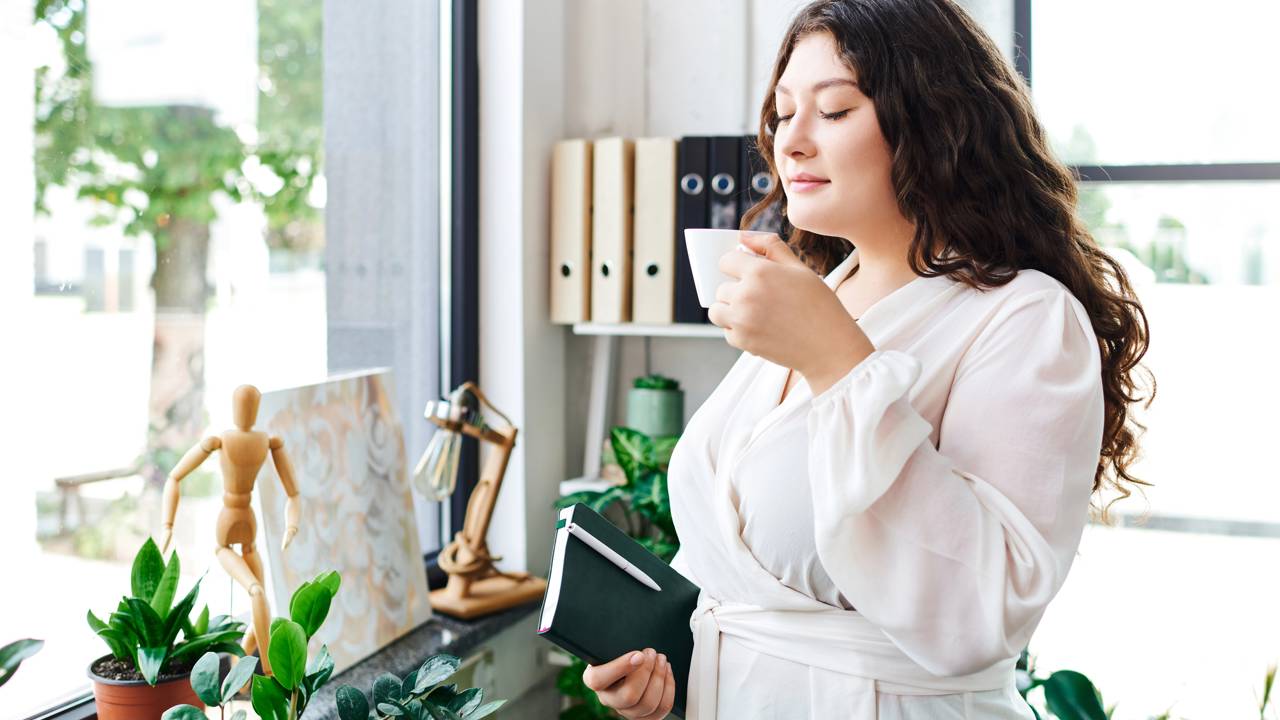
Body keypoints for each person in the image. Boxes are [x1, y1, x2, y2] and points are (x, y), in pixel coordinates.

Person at [582, 0, 1153, 717]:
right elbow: (741, 572)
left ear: (933, 121)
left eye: (835, 109)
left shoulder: (1025, 318)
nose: (791, 141)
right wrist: (665, 672)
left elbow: (986, 609)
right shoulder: (825, 291)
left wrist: (839, 366)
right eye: (783, 111)